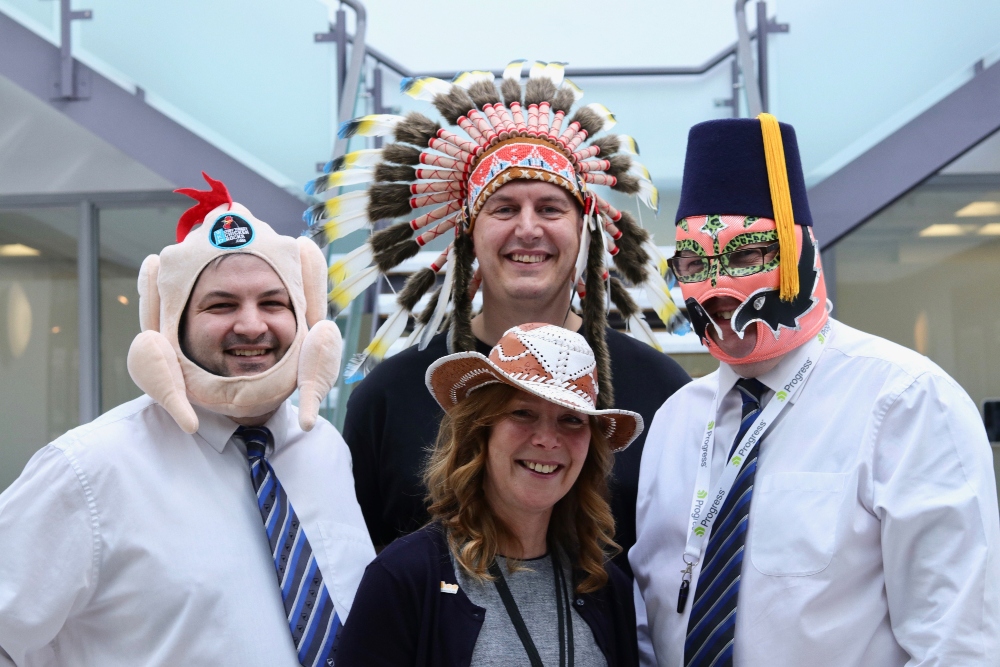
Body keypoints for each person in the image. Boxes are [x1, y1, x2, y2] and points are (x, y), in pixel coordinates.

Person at [630, 115, 1000, 666]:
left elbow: (956, 641)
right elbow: (647, 617)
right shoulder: (678, 418)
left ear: (800, 253)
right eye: (692, 262)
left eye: (746, 256)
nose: (716, 284)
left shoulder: (906, 400)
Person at [305, 61, 690, 574]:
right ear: (467, 232)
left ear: (585, 231)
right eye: (504, 208)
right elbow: (354, 572)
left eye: (551, 209)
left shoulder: (659, 391)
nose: (528, 230)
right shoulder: (388, 398)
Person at [0, 174, 375, 667]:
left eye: (273, 302)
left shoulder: (324, 448)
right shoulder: (88, 470)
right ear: (172, 325)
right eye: (221, 305)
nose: (252, 325)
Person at [336, 323, 642, 666]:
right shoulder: (403, 578)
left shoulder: (604, 585)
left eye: (571, 420)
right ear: (481, 430)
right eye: (522, 412)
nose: (547, 439)